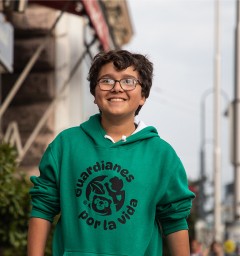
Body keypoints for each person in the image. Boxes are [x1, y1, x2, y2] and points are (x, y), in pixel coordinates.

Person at [27, 50, 195, 256]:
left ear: (143, 96)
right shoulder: (66, 145)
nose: (117, 88)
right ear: (95, 94)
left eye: (128, 81)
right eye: (106, 81)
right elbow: (42, 207)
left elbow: (175, 221)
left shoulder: (162, 155)